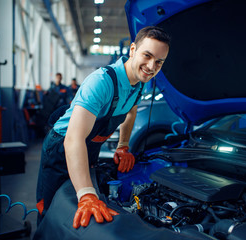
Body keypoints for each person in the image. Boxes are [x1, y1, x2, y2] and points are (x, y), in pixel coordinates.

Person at [36, 26, 171, 229]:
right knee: (51, 211)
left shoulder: (139, 84)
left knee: (75, 212)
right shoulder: (101, 82)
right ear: (133, 50)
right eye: (147, 55)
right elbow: (73, 139)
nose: (152, 66)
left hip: (89, 149)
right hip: (61, 148)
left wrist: (123, 145)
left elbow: (131, 111)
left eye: (159, 62)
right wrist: (87, 194)